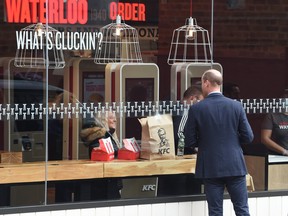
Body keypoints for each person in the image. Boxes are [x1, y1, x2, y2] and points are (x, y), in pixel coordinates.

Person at [184, 69, 254, 216]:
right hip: (235, 164)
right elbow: (248, 137)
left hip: (210, 165)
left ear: (206, 83)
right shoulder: (236, 106)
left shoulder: (197, 109)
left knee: (215, 211)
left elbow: (189, 140)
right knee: (242, 209)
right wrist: (232, 141)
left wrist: (205, 143)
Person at [80, 111, 123, 200]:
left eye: (115, 117)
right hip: (104, 185)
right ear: (103, 120)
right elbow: (103, 156)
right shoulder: (99, 137)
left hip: (109, 182)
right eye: (111, 117)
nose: (115, 120)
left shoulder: (109, 135)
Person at [173, 86, 203, 154]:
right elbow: (179, 134)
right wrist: (191, 149)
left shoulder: (176, 108)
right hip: (182, 154)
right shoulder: (184, 111)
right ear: (192, 98)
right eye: (200, 101)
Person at [261, 89, 288, 156]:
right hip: (277, 157)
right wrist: (284, 152)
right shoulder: (272, 116)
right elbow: (265, 139)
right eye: (285, 97)